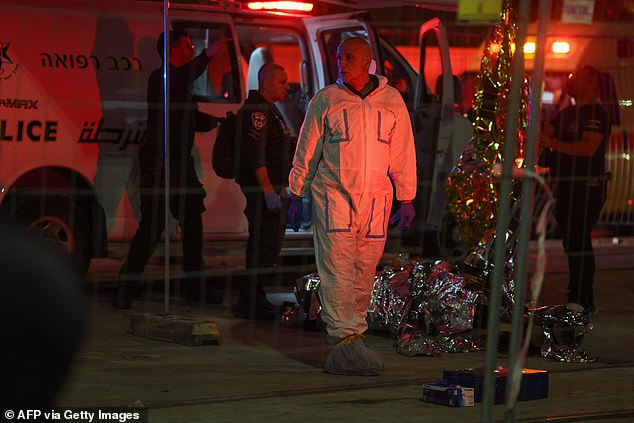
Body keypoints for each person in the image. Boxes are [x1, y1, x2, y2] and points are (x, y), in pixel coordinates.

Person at [288, 37, 417, 375]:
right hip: (333, 195)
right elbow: (307, 148)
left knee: (365, 270)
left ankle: (352, 339)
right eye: (339, 56)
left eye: (349, 57)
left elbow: (402, 150)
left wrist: (407, 197)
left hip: (376, 198)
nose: (342, 62)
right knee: (336, 268)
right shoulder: (326, 100)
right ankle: (343, 339)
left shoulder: (390, 101)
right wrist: (296, 190)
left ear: (368, 61)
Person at [113, 30, 222, 309]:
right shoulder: (163, 78)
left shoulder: (177, 82)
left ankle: (195, 287)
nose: (192, 48)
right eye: (188, 45)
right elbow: (182, 78)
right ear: (174, 50)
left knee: (192, 221)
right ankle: (124, 288)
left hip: (178, 163)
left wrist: (220, 122)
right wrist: (207, 56)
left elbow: (188, 117)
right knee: (153, 226)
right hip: (160, 163)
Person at [540, 65, 610, 316]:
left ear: (592, 84)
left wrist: (553, 143)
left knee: (579, 240)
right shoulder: (567, 113)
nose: (574, 81)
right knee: (571, 240)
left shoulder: (596, 113)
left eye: (580, 78)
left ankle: (582, 298)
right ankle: (577, 296)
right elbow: (545, 133)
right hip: (566, 186)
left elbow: (588, 148)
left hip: (587, 186)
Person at [234, 63, 294, 319]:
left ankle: (255, 298)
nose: (287, 86)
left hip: (271, 190)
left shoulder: (270, 110)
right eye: (282, 81)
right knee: (262, 246)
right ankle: (249, 302)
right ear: (267, 83)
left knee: (266, 245)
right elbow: (255, 155)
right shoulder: (258, 112)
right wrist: (269, 191)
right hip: (262, 192)